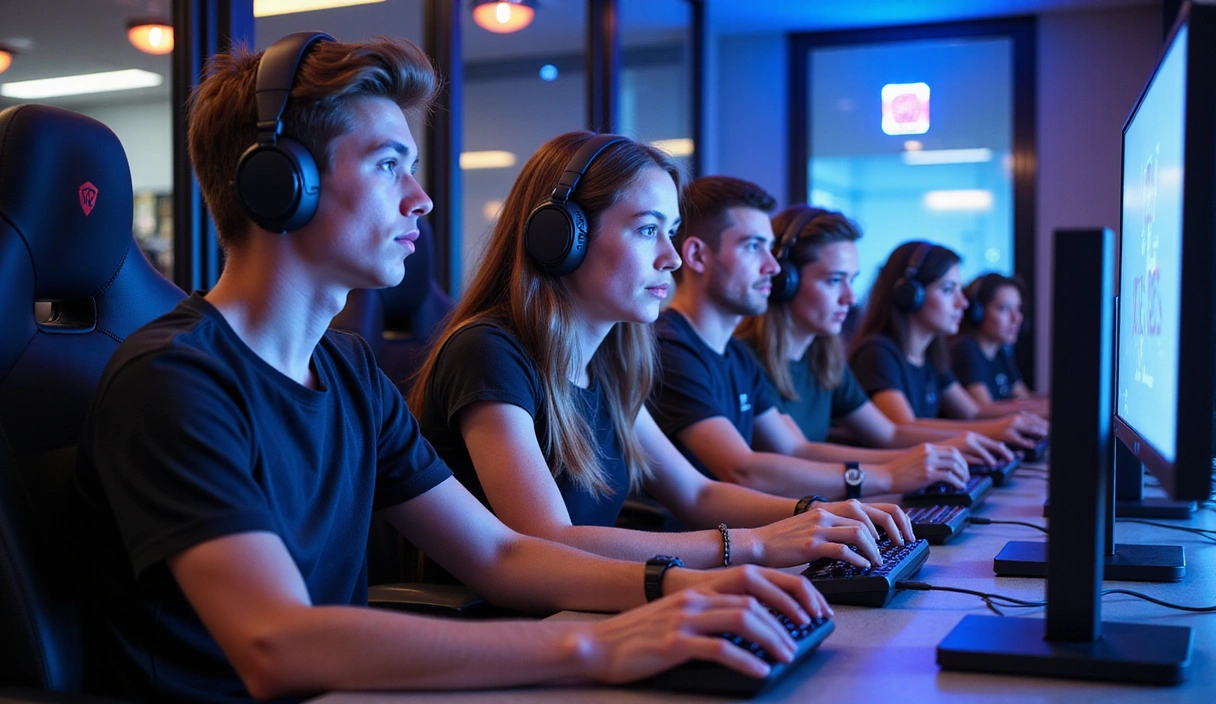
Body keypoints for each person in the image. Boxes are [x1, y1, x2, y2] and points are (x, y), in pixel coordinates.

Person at [71, 34, 826, 704]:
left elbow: (500, 554)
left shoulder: (347, 369)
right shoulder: (174, 380)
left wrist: (686, 590)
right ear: (279, 182)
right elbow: (277, 644)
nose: (422, 199)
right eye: (388, 164)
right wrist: (597, 645)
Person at [411, 132, 913, 577]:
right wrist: (753, 545)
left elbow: (695, 493)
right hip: (496, 636)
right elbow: (545, 539)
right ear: (562, 238)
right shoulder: (490, 353)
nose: (671, 259)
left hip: (582, 612)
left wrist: (814, 513)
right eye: (649, 230)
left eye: (670, 233)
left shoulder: (610, 364)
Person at [647, 176, 977, 502]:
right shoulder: (670, 349)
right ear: (697, 256)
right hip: (688, 548)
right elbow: (741, 470)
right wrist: (889, 475)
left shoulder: (734, 355)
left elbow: (794, 448)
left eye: (769, 247)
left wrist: (916, 462)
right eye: (753, 247)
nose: (772, 267)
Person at [735, 205, 1014, 464]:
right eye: (834, 280)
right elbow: (796, 454)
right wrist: (905, 467)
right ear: (784, 280)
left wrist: (956, 446)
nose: (849, 297)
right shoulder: (746, 359)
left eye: (851, 281)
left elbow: (888, 434)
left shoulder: (824, 359)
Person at [848, 241, 1049, 449]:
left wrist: (1019, 420)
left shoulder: (930, 355)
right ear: (909, 295)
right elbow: (904, 429)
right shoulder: (877, 353)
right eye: (948, 290)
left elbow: (973, 412)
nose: (962, 303)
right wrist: (994, 430)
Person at [950, 272, 1049, 415]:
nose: (1017, 318)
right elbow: (984, 411)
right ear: (978, 312)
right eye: (1004, 309)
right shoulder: (965, 349)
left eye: (1018, 309)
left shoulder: (1000, 352)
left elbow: (1023, 396)